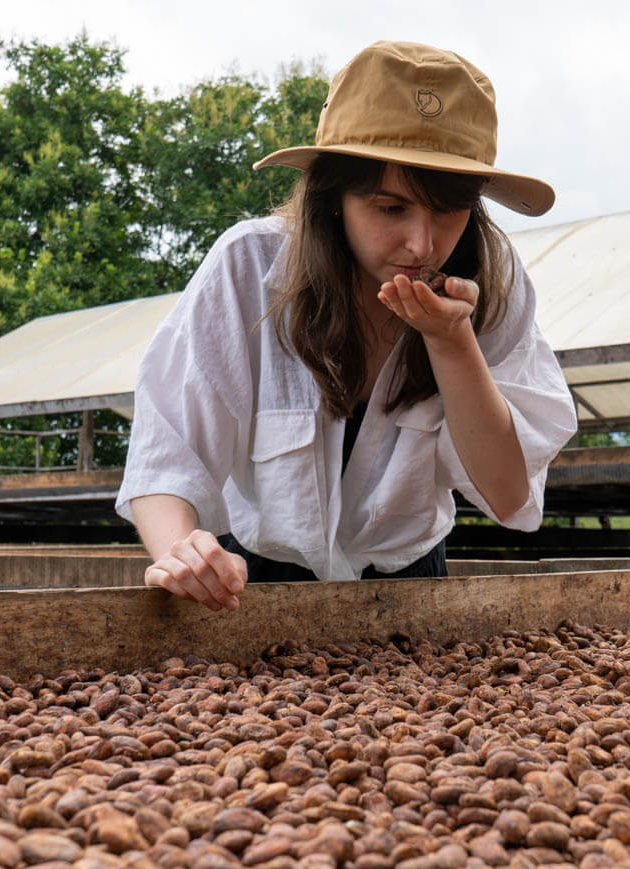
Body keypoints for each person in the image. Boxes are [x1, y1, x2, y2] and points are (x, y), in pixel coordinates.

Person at [115, 40, 578, 610]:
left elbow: (508, 494)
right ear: (332, 198)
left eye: (448, 212)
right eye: (390, 209)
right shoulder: (249, 268)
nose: (421, 244)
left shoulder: (494, 284)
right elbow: (169, 447)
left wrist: (451, 342)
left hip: (410, 590)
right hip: (249, 586)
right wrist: (182, 550)